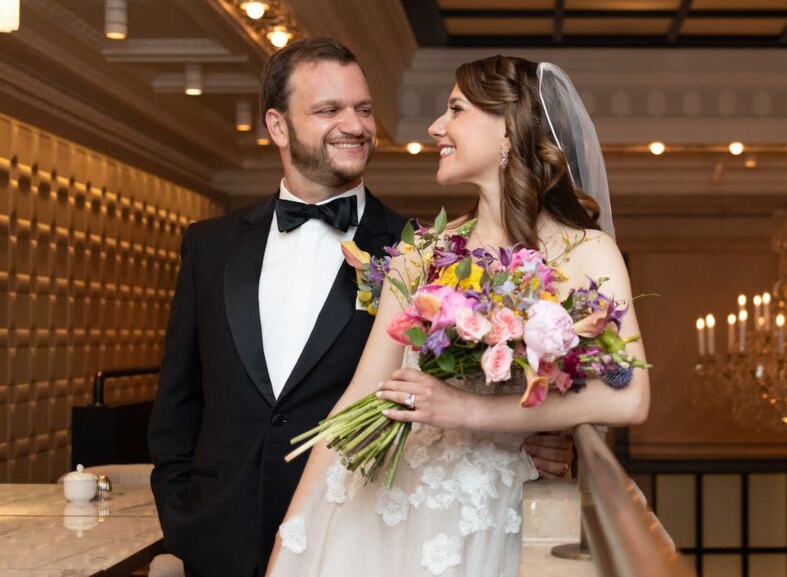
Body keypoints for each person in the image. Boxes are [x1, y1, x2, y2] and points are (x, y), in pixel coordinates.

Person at [147, 40, 573, 577]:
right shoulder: (209, 246)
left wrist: (529, 439)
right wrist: (182, 521)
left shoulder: (427, 253)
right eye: (329, 110)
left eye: (364, 109)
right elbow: (177, 404)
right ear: (277, 127)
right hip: (216, 540)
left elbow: (463, 388)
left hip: (359, 534)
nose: (355, 125)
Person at [268, 55, 650, 577]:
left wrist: (470, 412)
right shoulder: (421, 254)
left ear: (509, 131)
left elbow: (628, 395)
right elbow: (358, 400)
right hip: (386, 511)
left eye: (456, 109)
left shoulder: (587, 251)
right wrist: (291, 540)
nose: (436, 127)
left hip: (488, 517)